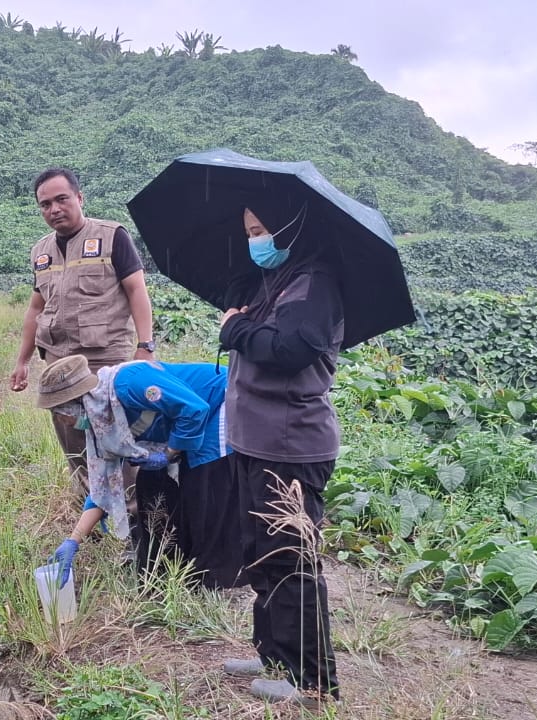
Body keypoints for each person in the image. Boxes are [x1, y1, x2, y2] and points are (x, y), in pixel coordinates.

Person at [218, 202, 343, 706]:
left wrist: (236, 330)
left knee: (292, 560)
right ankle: (274, 654)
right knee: (263, 557)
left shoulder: (315, 282)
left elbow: (291, 346)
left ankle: (314, 682)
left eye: (262, 230)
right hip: (255, 442)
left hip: (290, 446)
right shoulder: (275, 281)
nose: (255, 240)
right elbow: (251, 323)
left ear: (293, 227)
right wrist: (239, 310)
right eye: (248, 231)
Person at [9, 167, 156, 532]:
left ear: (79, 198)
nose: (55, 208)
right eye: (46, 204)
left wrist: (146, 347)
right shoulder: (40, 252)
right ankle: (93, 516)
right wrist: (23, 360)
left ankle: (135, 521)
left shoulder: (111, 237)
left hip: (106, 359)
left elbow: (137, 291)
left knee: (120, 438)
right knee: (73, 440)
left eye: (62, 199)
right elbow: (35, 308)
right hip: (60, 365)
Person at [36, 354, 244, 589]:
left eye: (58, 412)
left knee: (206, 481)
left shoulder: (128, 384)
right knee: (150, 484)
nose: (60, 421)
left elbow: (195, 408)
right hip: (188, 418)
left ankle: (217, 577)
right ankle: (175, 566)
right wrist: (72, 542)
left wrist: (169, 453)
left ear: (76, 402)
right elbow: (102, 488)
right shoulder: (103, 423)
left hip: (220, 401)